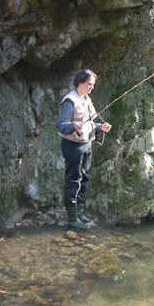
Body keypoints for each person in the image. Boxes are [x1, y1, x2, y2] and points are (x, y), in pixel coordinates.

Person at [57, 69, 112, 229]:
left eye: (93, 85)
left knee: (85, 179)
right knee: (73, 181)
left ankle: (81, 215)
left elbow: (90, 124)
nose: (91, 88)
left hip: (86, 144)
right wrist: (73, 125)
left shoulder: (86, 99)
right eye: (89, 84)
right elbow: (61, 126)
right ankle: (73, 220)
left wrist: (100, 127)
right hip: (72, 146)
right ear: (80, 82)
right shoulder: (70, 101)